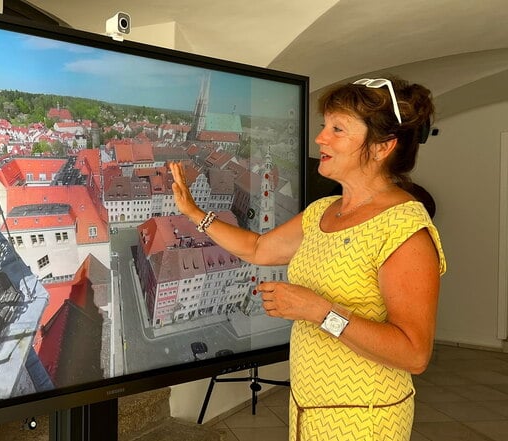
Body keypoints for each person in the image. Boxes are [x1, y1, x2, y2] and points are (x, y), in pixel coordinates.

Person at [170, 76, 446, 441]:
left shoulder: (404, 229)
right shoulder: (323, 211)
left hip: (363, 420)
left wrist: (319, 311)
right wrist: (195, 214)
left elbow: (414, 354)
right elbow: (258, 248)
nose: (321, 138)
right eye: (323, 126)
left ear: (382, 147)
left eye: (338, 129)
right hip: (308, 410)